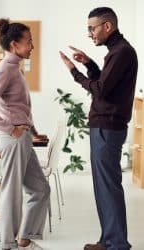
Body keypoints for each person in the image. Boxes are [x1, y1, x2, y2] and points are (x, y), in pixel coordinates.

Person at [59, 7, 137, 250]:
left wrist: (74, 72)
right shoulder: (117, 51)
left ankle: (117, 244)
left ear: (107, 26)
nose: (90, 33)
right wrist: (89, 63)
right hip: (106, 127)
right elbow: (107, 83)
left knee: (108, 187)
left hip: (107, 127)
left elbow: (100, 90)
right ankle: (109, 240)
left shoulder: (121, 52)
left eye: (92, 28)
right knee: (104, 188)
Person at [0, 18, 50, 250]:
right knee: (12, 190)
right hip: (13, 138)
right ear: (14, 45)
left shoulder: (13, 67)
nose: (32, 46)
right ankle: (8, 244)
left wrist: (31, 128)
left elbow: (17, 106)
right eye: (29, 41)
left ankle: (24, 239)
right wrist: (11, 128)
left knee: (40, 189)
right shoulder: (6, 69)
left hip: (22, 136)